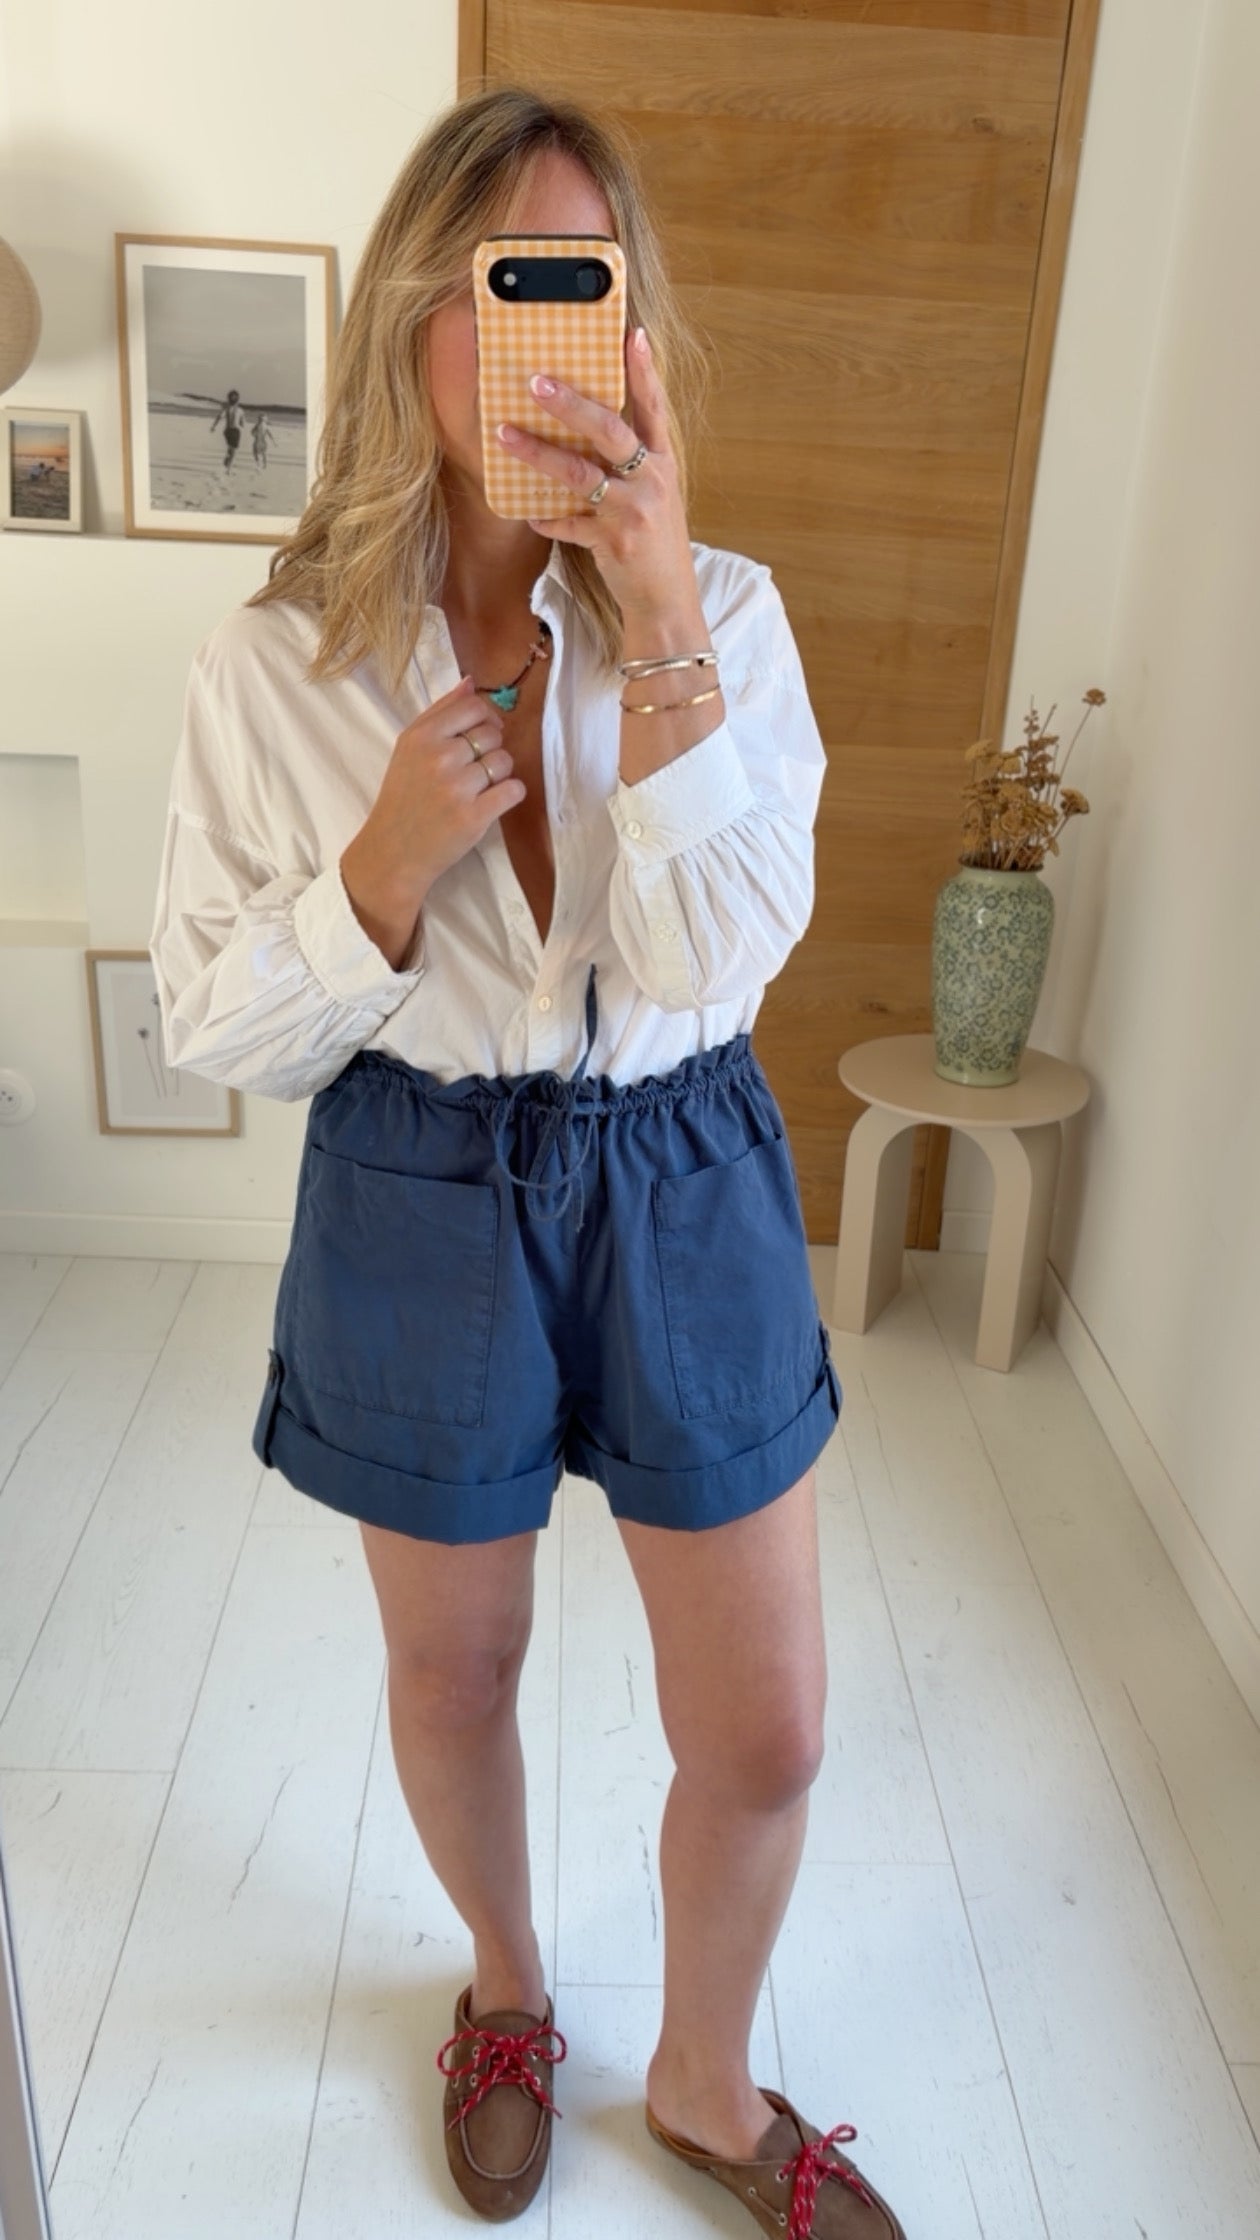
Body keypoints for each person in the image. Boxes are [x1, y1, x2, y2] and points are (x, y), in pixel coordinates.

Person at [148, 84, 906, 2240]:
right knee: (455, 1666)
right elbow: (212, 1026)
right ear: (413, 315)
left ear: (634, 335)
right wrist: (375, 877)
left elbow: (712, 962)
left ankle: (705, 2080)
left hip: (684, 1167)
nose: (534, 352)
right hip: (417, 1177)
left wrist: (654, 620)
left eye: (582, 291)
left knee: (767, 1729)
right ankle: (507, 1989)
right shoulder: (277, 662)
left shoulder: (728, 614)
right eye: (500, 290)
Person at [208, 387, 245, 469]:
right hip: (235, 431)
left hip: (227, 431)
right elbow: (242, 424)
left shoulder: (227, 409)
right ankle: (229, 468)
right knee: (234, 450)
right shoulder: (240, 410)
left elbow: (219, 417)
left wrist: (213, 426)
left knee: (231, 448)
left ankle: (227, 461)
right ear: (238, 400)